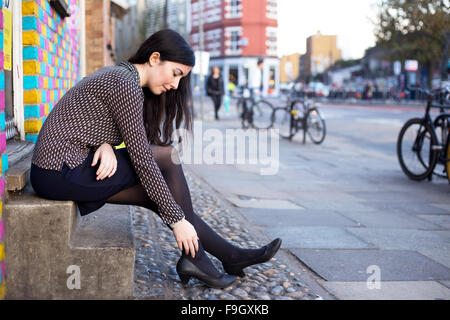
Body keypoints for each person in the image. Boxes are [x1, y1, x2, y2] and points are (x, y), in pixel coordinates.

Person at [29, 29, 281, 289]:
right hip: (58, 172)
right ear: (154, 58)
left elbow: (85, 119)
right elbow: (143, 160)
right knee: (166, 158)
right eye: (175, 74)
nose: (175, 85)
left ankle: (224, 256)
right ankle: (211, 257)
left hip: (65, 165)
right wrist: (177, 221)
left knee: (156, 189)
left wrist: (103, 145)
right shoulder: (124, 84)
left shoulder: (121, 76)